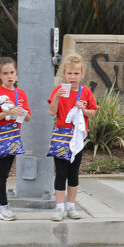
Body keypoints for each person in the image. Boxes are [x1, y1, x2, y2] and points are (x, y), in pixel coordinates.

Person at [48, 53, 98, 221]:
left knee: (74, 173)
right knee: (61, 173)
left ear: (82, 74)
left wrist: (83, 110)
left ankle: (71, 206)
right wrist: (56, 97)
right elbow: (52, 112)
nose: (72, 77)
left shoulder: (86, 92)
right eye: (69, 73)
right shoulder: (59, 90)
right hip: (61, 136)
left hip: (76, 138)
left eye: (76, 73)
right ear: (64, 73)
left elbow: (92, 112)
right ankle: (59, 207)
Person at [0, 57, 31, 221]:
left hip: (13, 137)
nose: (9, 76)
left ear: (16, 73)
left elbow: (28, 117)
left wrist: (20, 113)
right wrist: (6, 112)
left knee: (4, 172)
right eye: (5, 73)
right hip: (0, 139)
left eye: (12, 72)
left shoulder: (20, 93)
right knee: (3, 173)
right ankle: (2, 206)